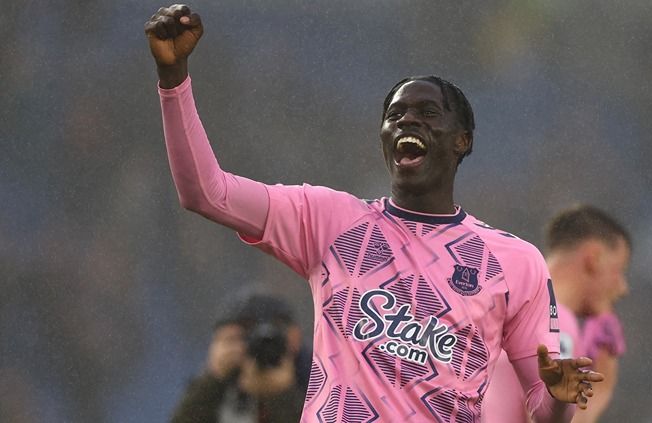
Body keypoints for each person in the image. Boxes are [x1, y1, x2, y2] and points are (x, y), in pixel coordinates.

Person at [145, 5, 603, 421]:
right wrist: (173, 78)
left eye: (427, 112)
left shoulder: (511, 262)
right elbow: (207, 193)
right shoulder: (329, 221)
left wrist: (561, 395)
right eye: (396, 115)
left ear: (462, 140)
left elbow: (543, 412)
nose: (407, 121)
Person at [482, 205, 630, 422]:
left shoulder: (503, 298)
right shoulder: (556, 321)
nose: (623, 287)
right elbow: (545, 418)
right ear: (594, 258)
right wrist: (602, 390)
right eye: (619, 270)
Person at [170, 292, 311, 423]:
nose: (262, 345)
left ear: (295, 335)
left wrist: (283, 395)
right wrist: (214, 378)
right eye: (245, 337)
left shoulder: (315, 374)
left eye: (274, 337)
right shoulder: (222, 379)